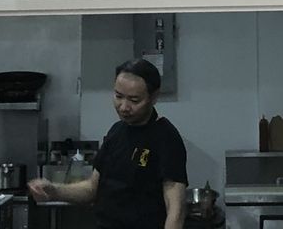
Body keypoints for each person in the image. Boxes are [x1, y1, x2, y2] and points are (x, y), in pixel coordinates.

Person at [28, 59, 187, 229]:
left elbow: (176, 210)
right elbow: (92, 189)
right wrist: (54, 191)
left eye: (134, 100)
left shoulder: (166, 137)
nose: (124, 107)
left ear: (153, 97)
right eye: (118, 96)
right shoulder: (116, 132)